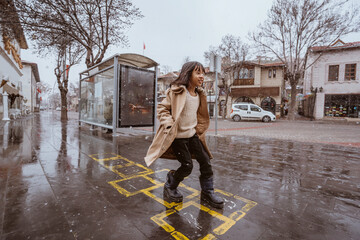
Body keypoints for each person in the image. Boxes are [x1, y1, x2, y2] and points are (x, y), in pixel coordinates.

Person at [144, 61, 224, 209]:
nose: (202, 77)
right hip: (178, 137)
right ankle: (171, 184)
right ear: (188, 74)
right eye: (198, 73)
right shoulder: (176, 91)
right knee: (187, 166)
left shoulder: (200, 94)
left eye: (203, 74)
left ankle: (207, 192)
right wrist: (168, 123)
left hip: (193, 135)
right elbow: (162, 108)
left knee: (206, 162)